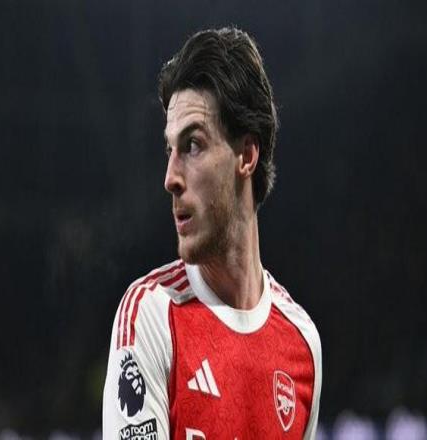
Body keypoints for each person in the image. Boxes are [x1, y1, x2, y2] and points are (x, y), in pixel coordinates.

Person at [103, 27, 322, 440]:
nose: (170, 178)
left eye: (193, 145)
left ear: (247, 155)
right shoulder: (151, 315)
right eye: (169, 149)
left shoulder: (303, 344)